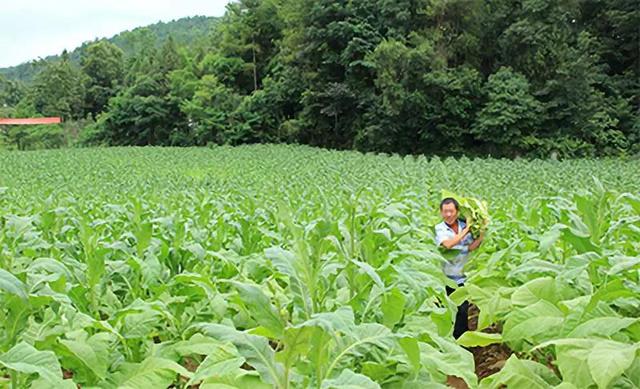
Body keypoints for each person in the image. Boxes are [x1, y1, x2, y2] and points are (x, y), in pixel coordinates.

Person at [434, 197, 484, 338]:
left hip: (463, 277)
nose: (448, 215)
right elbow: (448, 245)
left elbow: (470, 248)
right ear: (441, 212)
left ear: (456, 212)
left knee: (462, 311)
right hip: (446, 279)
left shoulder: (463, 226)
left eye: (451, 211)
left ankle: (462, 341)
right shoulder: (440, 229)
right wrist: (467, 230)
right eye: (445, 212)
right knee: (447, 310)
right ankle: (446, 338)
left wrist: (481, 234)